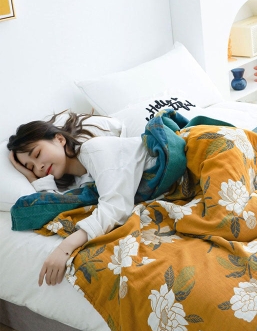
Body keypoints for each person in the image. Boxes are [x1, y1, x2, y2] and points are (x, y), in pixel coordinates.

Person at [7, 111, 156, 287]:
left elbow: (116, 207)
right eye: (31, 167)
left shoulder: (94, 149)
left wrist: (65, 248)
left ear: (59, 139)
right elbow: (55, 205)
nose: (38, 166)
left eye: (38, 154)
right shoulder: (82, 181)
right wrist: (31, 177)